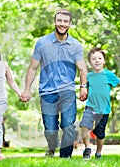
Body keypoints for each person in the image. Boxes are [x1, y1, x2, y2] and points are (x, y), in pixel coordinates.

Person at [21, 9, 88, 158]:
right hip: (47, 92)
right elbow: (32, 68)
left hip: (67, 91)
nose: (62, 24)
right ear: (54, 22)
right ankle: (51, 148)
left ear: (70, 24)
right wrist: (26, 89)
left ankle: (65, 158)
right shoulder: (42, 43)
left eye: (65, 21)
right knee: (50, 129)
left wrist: (84, 87)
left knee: (68, 125)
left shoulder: (75, 46)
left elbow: (83, 68)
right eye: (59, 20)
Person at [80, 47, 120, 160]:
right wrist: (83, 92)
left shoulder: (108, 75)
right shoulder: (88, 76)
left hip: (103, 110)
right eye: (94, 59)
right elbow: (84, 85)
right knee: (84, 125)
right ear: (90, 62)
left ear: (104, 61)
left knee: (100, 134)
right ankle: (87, 148)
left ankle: (98, 152)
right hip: (90, 106)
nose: (97, 60)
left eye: (100, 58)